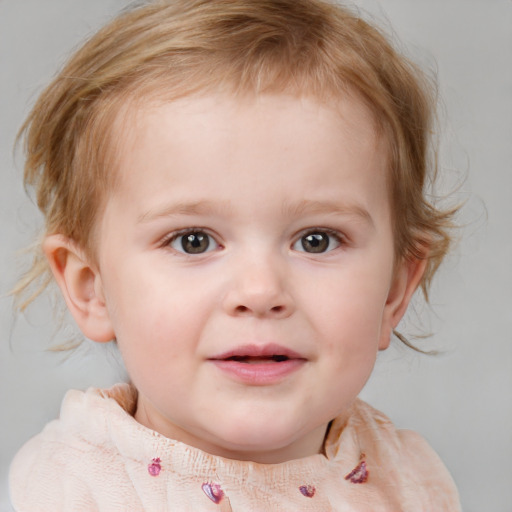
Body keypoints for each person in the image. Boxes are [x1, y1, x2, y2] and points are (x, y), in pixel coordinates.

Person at [9, 0, 461, 509]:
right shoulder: (73, 489)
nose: (260, 291)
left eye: (317, 240)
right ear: (92, 288)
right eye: (193, 240)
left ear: (394, 290)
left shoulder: (408, 479)